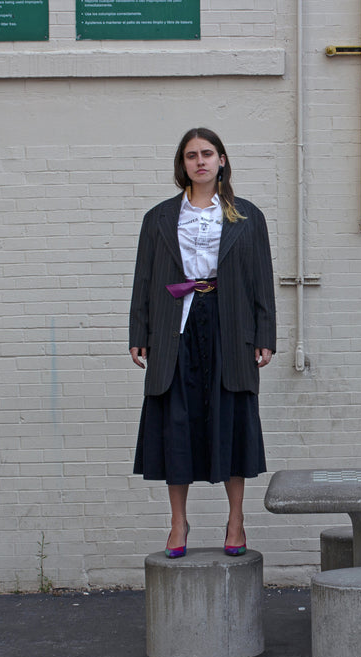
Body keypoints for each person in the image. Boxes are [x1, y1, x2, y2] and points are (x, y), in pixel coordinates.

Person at [129, 127, 276, 558]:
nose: (200, 161)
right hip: (176, 324)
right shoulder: (158, 217)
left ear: (222, 160)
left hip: (229, 324)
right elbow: (143, 279)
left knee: (230, 418)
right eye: (192, 155)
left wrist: (264, 334)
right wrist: (139, 333)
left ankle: (236, 519)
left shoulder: (246, 216)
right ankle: (178, 523)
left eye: (208, 153)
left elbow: (261, 281)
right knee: (176, 421)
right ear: (183, 165)